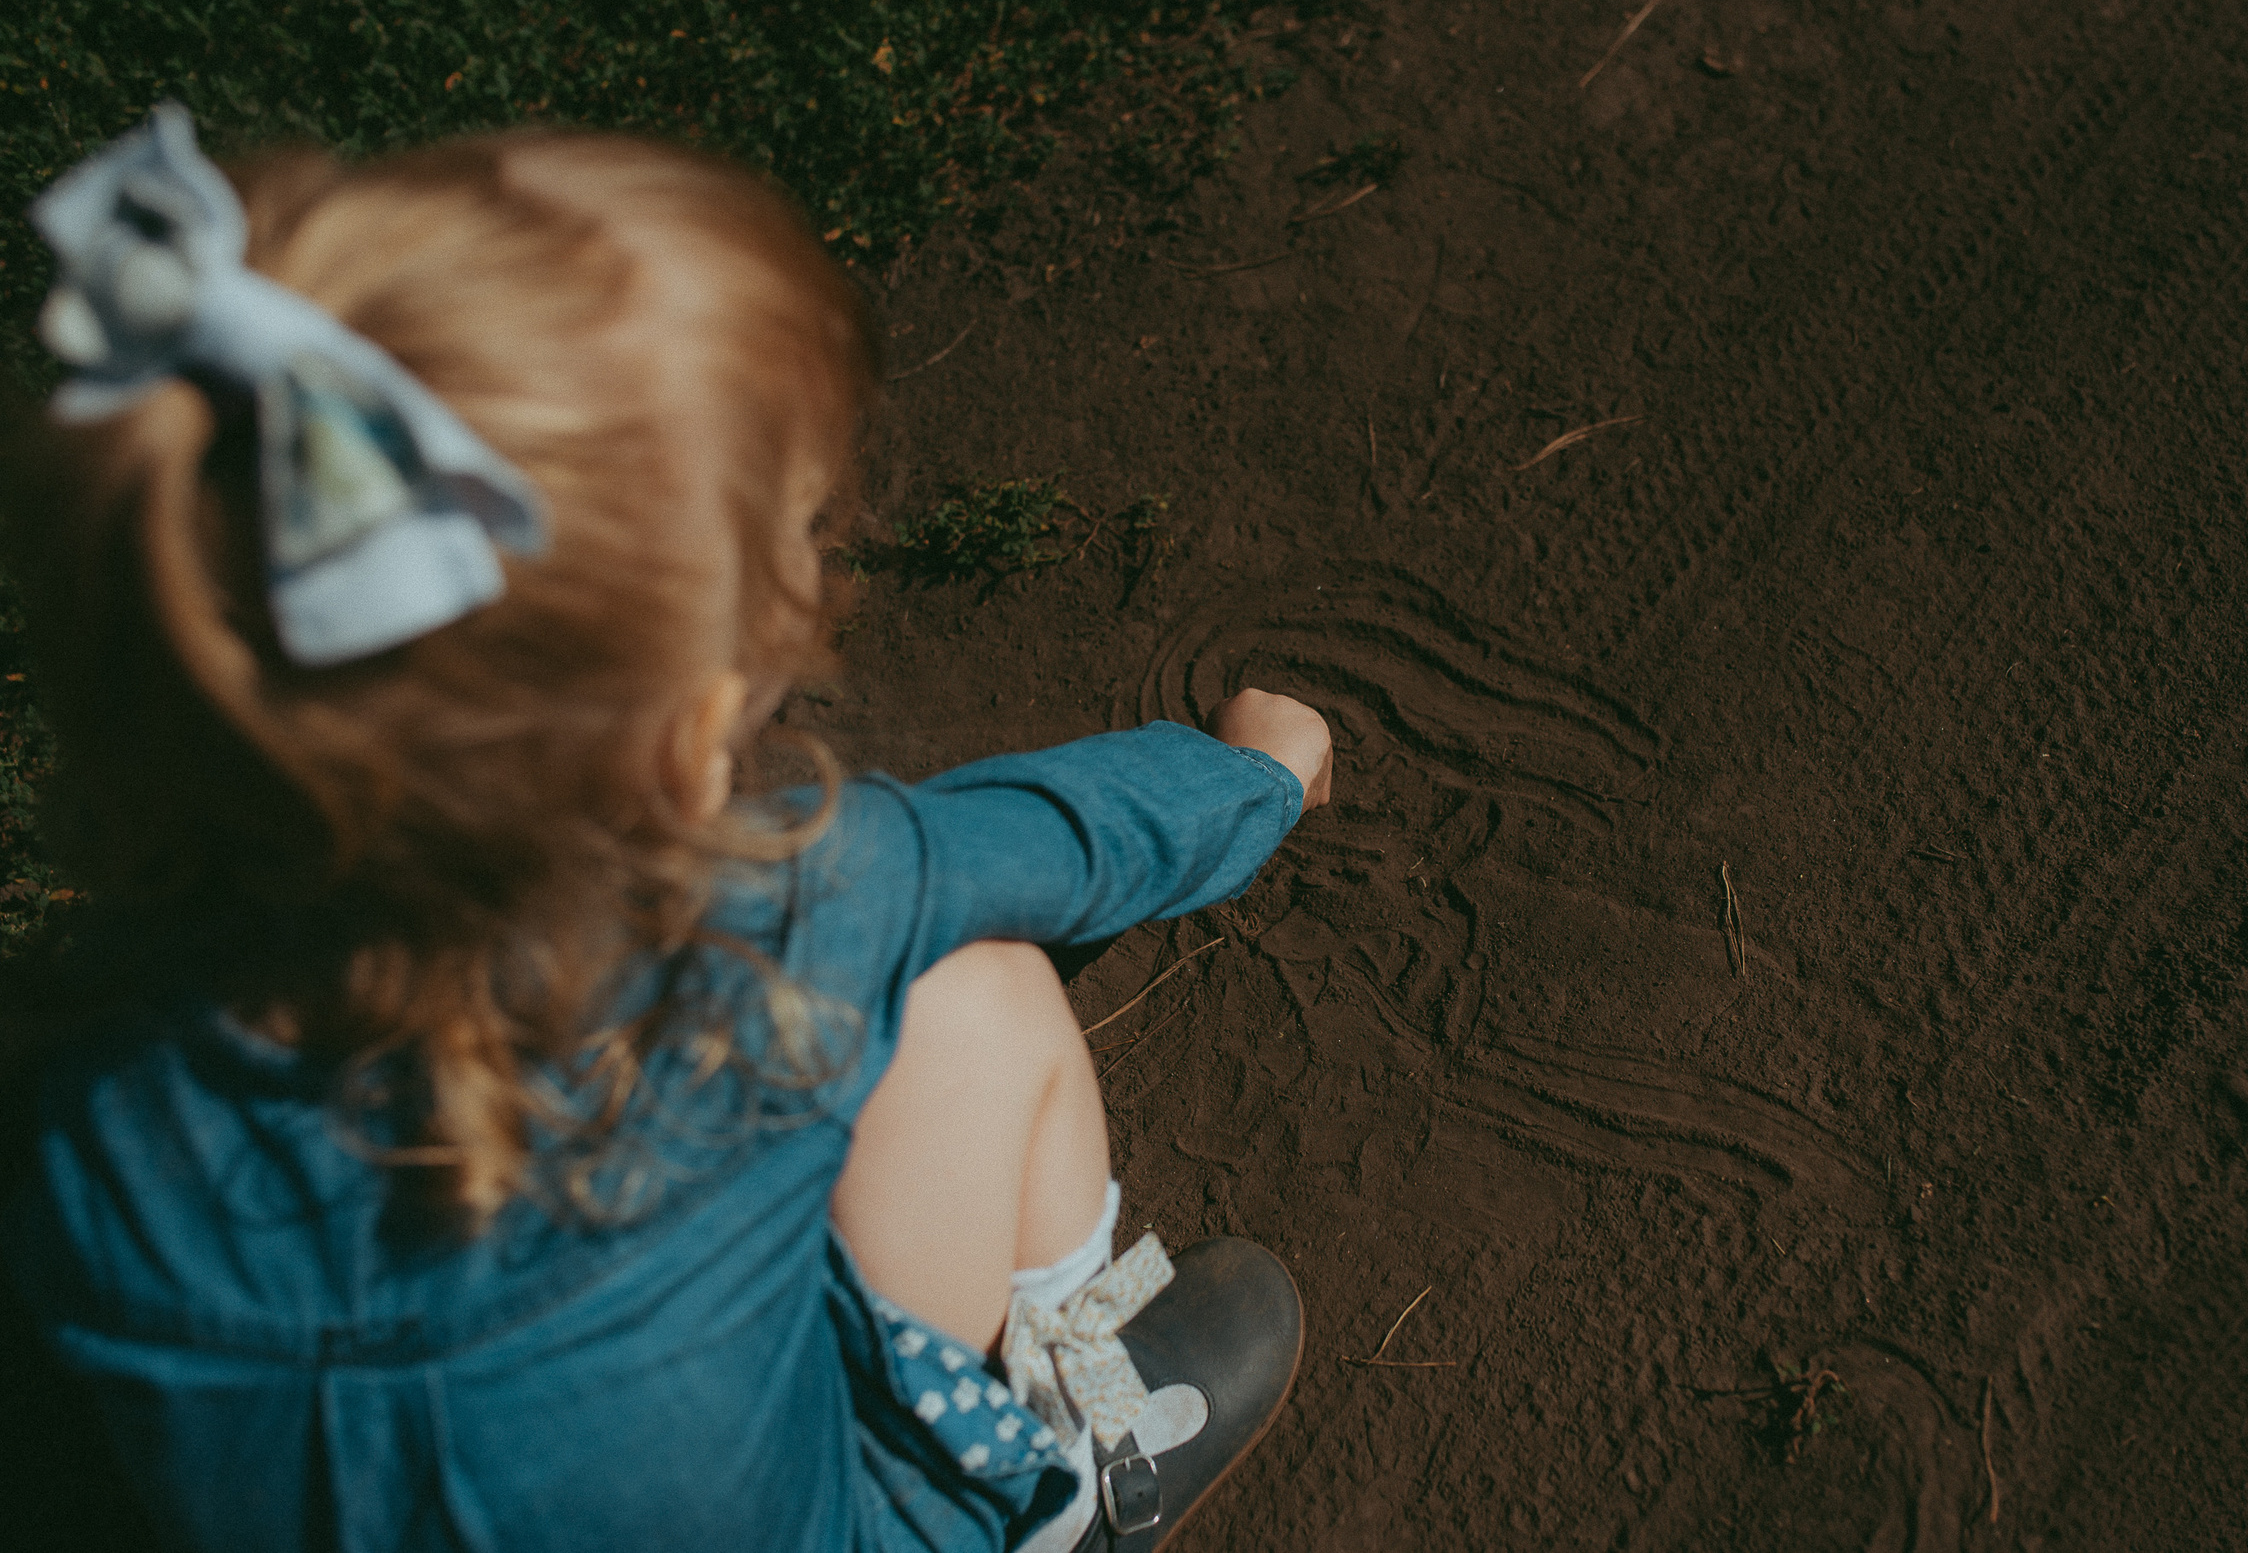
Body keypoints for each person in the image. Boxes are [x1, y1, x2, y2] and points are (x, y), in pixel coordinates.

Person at [0, 104, 1330, 1552]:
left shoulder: (79, 1096)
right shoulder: (779, 927)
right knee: (977, 998)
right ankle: (1068, 1471)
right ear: (690, 735)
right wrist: (1255, 777)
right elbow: (1052, 840)